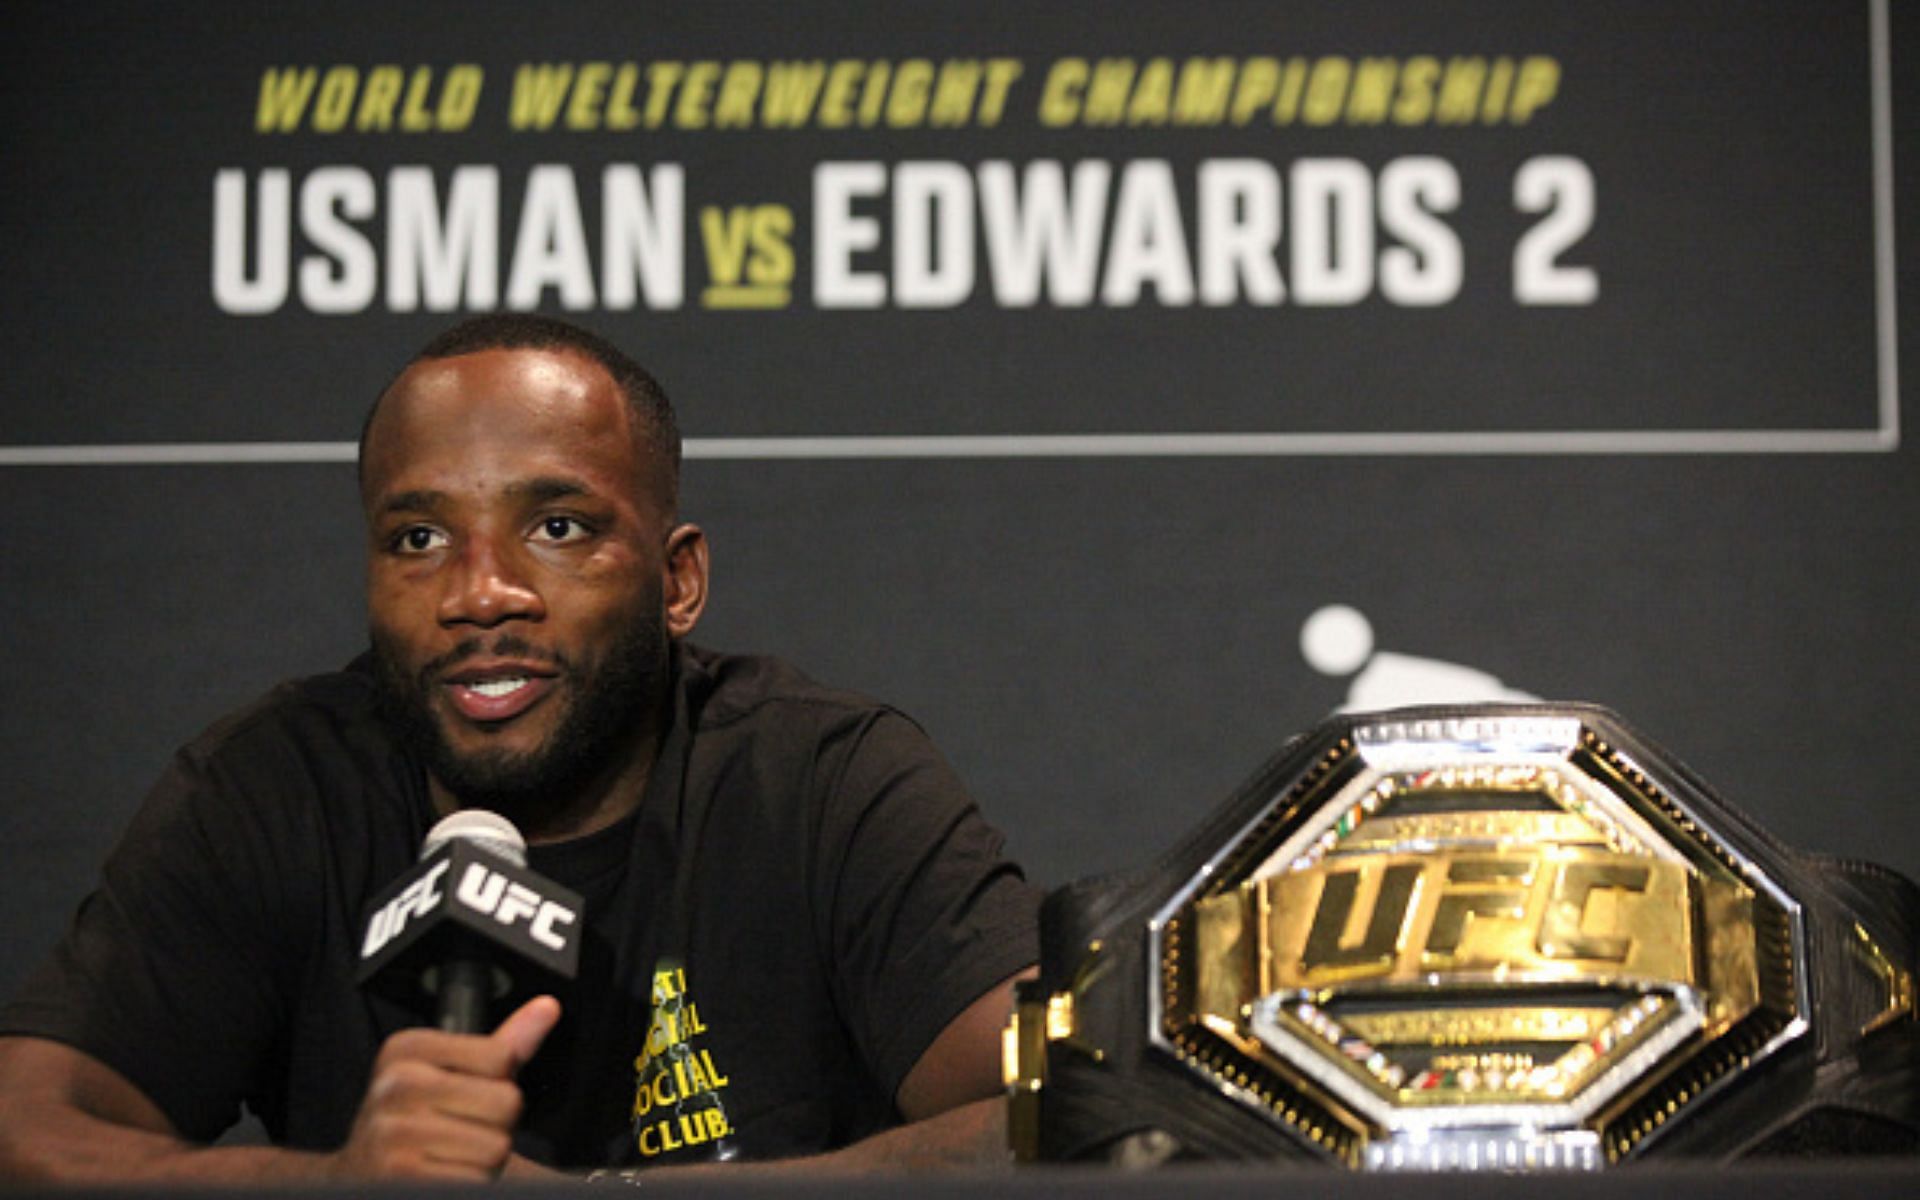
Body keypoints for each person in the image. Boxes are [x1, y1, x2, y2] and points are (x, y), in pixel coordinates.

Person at [0, 315, 1040, 1183]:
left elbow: (1057, 1108)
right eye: (419, 539)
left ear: (676, 584)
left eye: (557, 527)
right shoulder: (282, 785)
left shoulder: (818, 778)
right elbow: (26, 1129)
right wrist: (330, 1184)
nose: (478, 592)